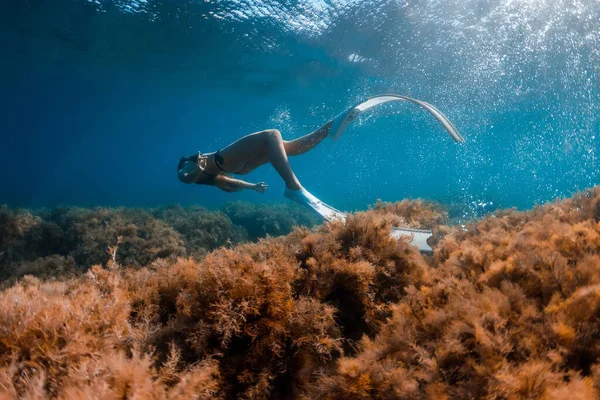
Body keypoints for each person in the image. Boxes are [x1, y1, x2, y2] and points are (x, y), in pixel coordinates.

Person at [177, 120, 334, 205]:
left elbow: (229, 180)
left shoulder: (205, 176)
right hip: (225, 160)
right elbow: (184, 176)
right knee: (272, 134)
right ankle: (293, 186)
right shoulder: (188, 166)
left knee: (287, 148)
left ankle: (326, 129)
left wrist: (253, 187)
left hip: (237, 167)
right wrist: (193, 170)